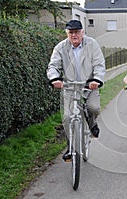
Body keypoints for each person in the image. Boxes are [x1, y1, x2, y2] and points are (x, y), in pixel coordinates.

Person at [47, 20, 106, 161]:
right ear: (67, 34)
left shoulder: (92, 44)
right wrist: (55, 78)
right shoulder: (60, 47)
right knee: (67, 117)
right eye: (71, 33)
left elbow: (99, 64)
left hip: (89, 85)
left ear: (82, 32)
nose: (74, 35)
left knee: (93, 108)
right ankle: (71, 148)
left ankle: (92, 124)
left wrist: (96, 80)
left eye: (77, 32)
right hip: (69, 87)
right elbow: (53, 66)